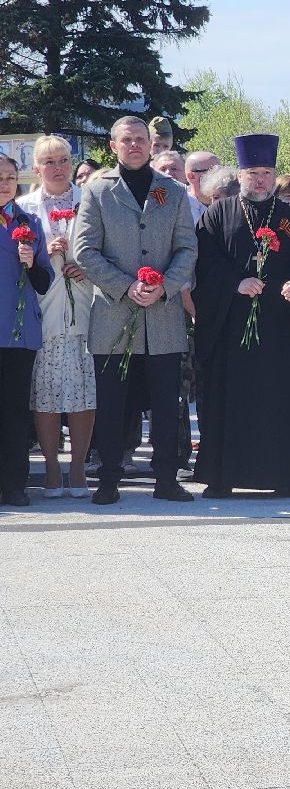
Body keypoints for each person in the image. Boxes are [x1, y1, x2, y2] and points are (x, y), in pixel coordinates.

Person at [73, 115, 196, 505]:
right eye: (126, 140)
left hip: (162, 316)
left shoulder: (172, 191)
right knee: (113, 404)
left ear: (150, 143)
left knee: (165, 404)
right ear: (114, 146)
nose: (135, 145)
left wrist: (165, 286)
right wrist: (126, 285)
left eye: (141, 139)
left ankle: (166, 478)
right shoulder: (97, 191)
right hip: (114, 315)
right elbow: (84, 251)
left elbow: (187, 248)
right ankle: (109, 478)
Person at [191, 134, 290, 498]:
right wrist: (235, 282)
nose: (260, 180)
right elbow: (204, 261)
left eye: (266, 173)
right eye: (253, 173)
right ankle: (223, 477)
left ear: (274, 175)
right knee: (231, 402)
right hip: (232, 328)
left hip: (281, 328)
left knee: (282, 401)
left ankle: (287, 477)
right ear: (240, 175)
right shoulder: (217, 215)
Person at [19, 136, 95, 499]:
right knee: (46, 393)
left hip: (85, 306)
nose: (58, 167)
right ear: (36, 169)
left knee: (84, 391)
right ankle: (51, 467)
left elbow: (105, 249)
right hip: (44, 309)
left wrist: (88, 267)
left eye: (64, 160)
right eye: (49, 162)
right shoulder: (24, 208)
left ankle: (78, 467)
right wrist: (44, 255)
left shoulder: (90, 201)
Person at [0, 156, 52, 506]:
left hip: (17, 331)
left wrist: (31, 263)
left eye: (10, 177)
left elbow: (44, 282)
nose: (5, 183)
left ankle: (14, 485)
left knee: (15, 410)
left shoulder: (28, 222)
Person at [183, 152, 220, 224]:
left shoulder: (228, 203)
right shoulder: (179, 206)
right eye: (213, 171)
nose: (220, 175)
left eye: (220, 169)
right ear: (192, 176)